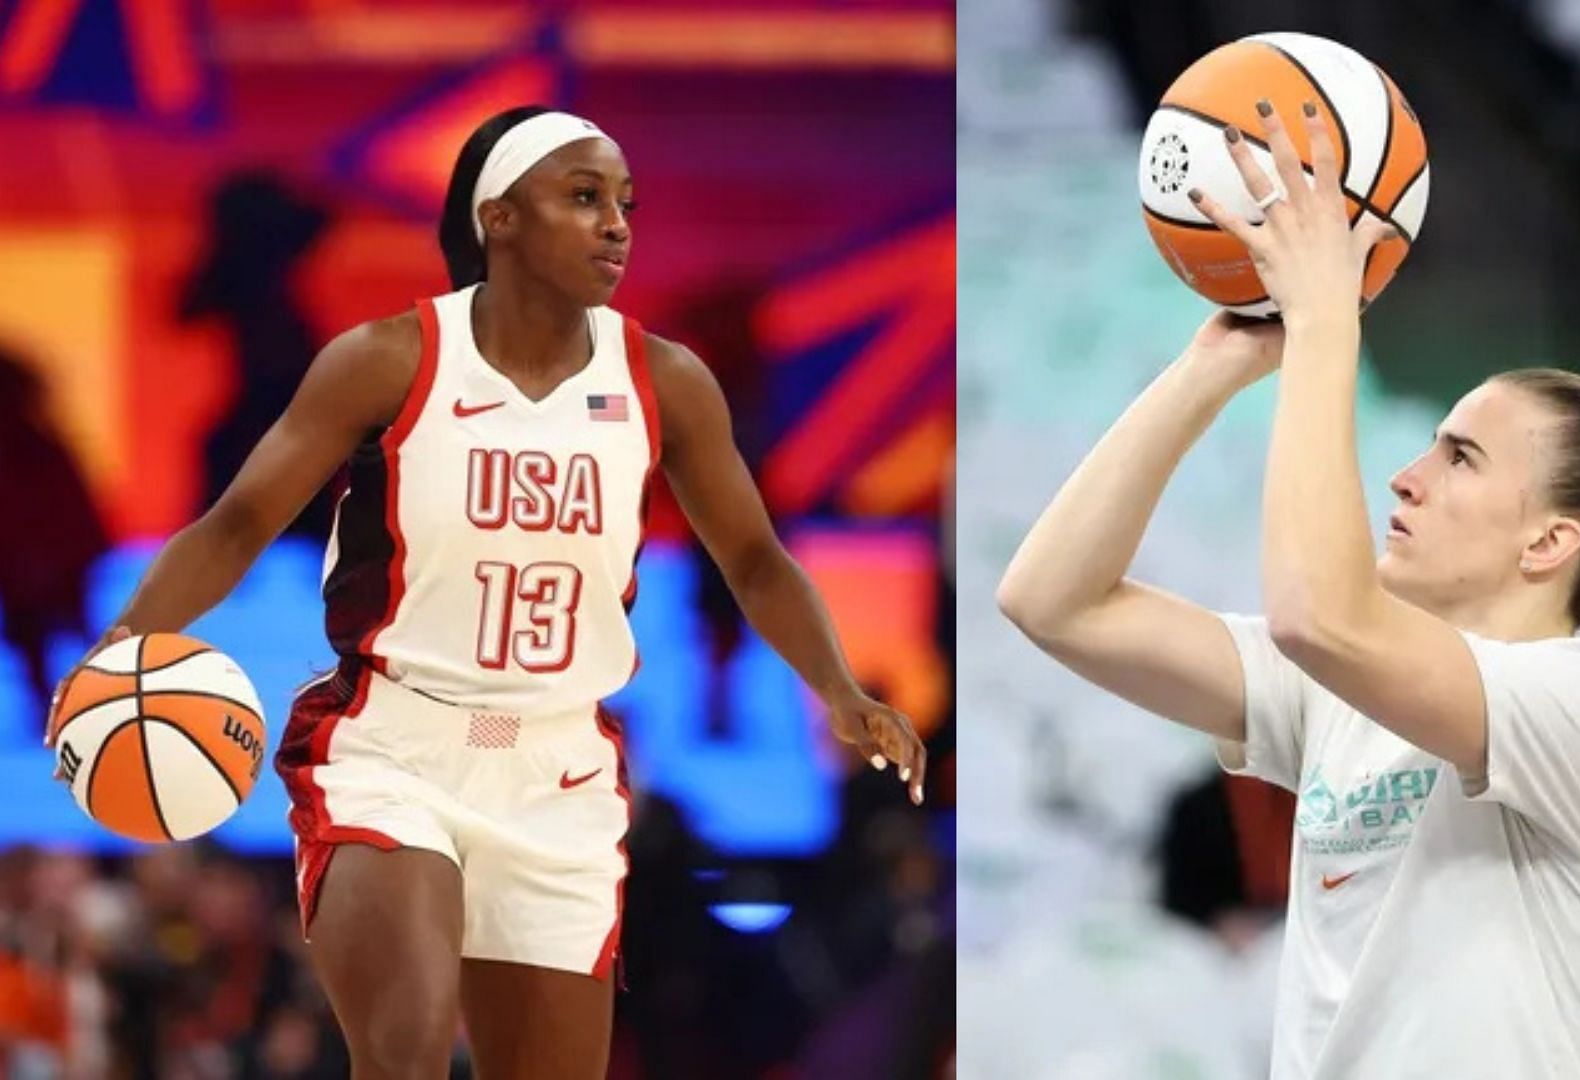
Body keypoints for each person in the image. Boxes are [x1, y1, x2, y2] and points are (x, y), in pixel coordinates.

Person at [47, 105, 926, 1078]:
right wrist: (123, 639)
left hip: (559, 766)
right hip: (397, 747)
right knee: (410, 1051)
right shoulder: (388, 360)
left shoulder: (664, 382)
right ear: (498, 217)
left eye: (625, 202)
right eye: (584, 198)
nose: (617, 225)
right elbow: (239, 522)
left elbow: (755, 559)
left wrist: (839, 690)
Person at [997, 100, 1580, 1078]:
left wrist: (1320, 326)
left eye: (1461, 457)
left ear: (1551, 540)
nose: (1408, 476)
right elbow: (1051, 601)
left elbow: (1318, 617)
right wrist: (1209, 368)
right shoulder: (1339, 689)